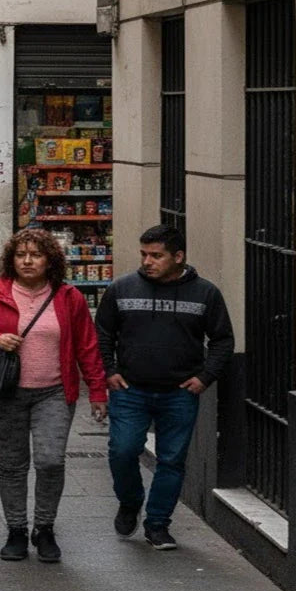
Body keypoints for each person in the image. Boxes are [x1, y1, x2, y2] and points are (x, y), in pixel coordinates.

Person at [0, 227, 108, 563]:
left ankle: (45, 527)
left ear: (49, 260)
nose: (27, 261)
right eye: (20, 254)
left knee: (51, 461)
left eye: (35, 255)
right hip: (4, 392)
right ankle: (16, 530)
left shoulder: (69, 298)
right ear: (10, 259)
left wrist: (98, 391)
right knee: (13, 465)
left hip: (54, 392)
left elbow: (87, 347)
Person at [96, 224, 234, 551]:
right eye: (144, 254)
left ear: (178, 257)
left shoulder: (205, 293)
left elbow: (222, 340)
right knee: (122, 450)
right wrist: (109, 370)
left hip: (179, 392)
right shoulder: (122, 289)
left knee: (172, 460)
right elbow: (102, 333)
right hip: (130, 389)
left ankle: (158, 524)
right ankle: (130, 501)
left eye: (156, 256)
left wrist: (204, 377)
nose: (147, 261)